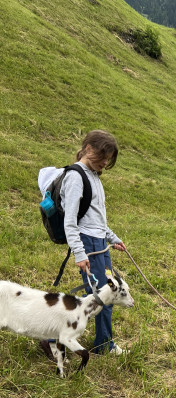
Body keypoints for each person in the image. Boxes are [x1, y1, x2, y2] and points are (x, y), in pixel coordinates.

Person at [40, 130, 127, 355]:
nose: (105, 162)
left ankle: (101, 342)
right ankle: (54, 338)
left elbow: (95, 218)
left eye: (108, 159)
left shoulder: (93, 176)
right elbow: (71, 221)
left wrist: (112, 238)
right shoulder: (76, 177)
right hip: (88, 244)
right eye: (102, 156)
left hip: (99, 242)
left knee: (101, 295)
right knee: (100, 296)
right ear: (88, 148)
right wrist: (80, 253)